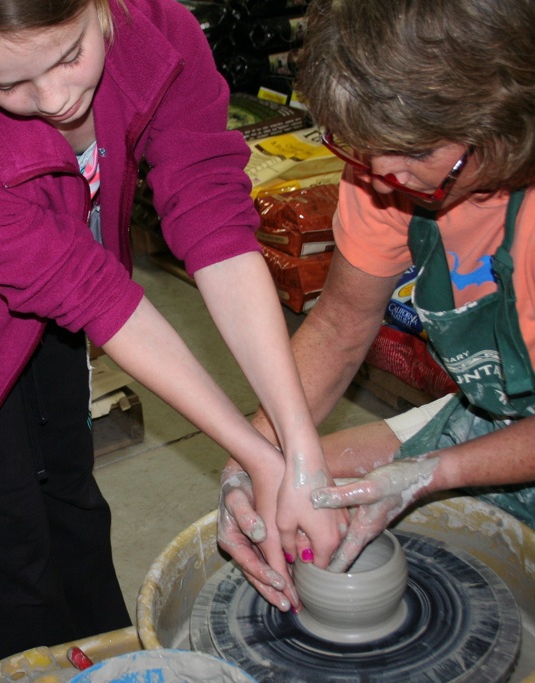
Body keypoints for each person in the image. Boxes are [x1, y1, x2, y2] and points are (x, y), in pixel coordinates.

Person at [0, 0, 347, 667]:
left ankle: (112, 665)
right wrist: (258, 459)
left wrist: (297, 449)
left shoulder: (159, 37)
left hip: (61, 298)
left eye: (69, 56)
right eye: (7, 84)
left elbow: (215, 228)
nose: (55, 98)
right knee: (9, 538)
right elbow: (94, 296)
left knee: (72, 492)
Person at [218, 0, 535, 614]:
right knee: (294, 486)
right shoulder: (385, 170)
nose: (384, 172)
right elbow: (340, 326)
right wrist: (249, 458)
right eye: (367, 148)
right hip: (495, 414)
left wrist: (436, 472)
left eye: (415, 149)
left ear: (506, 122)